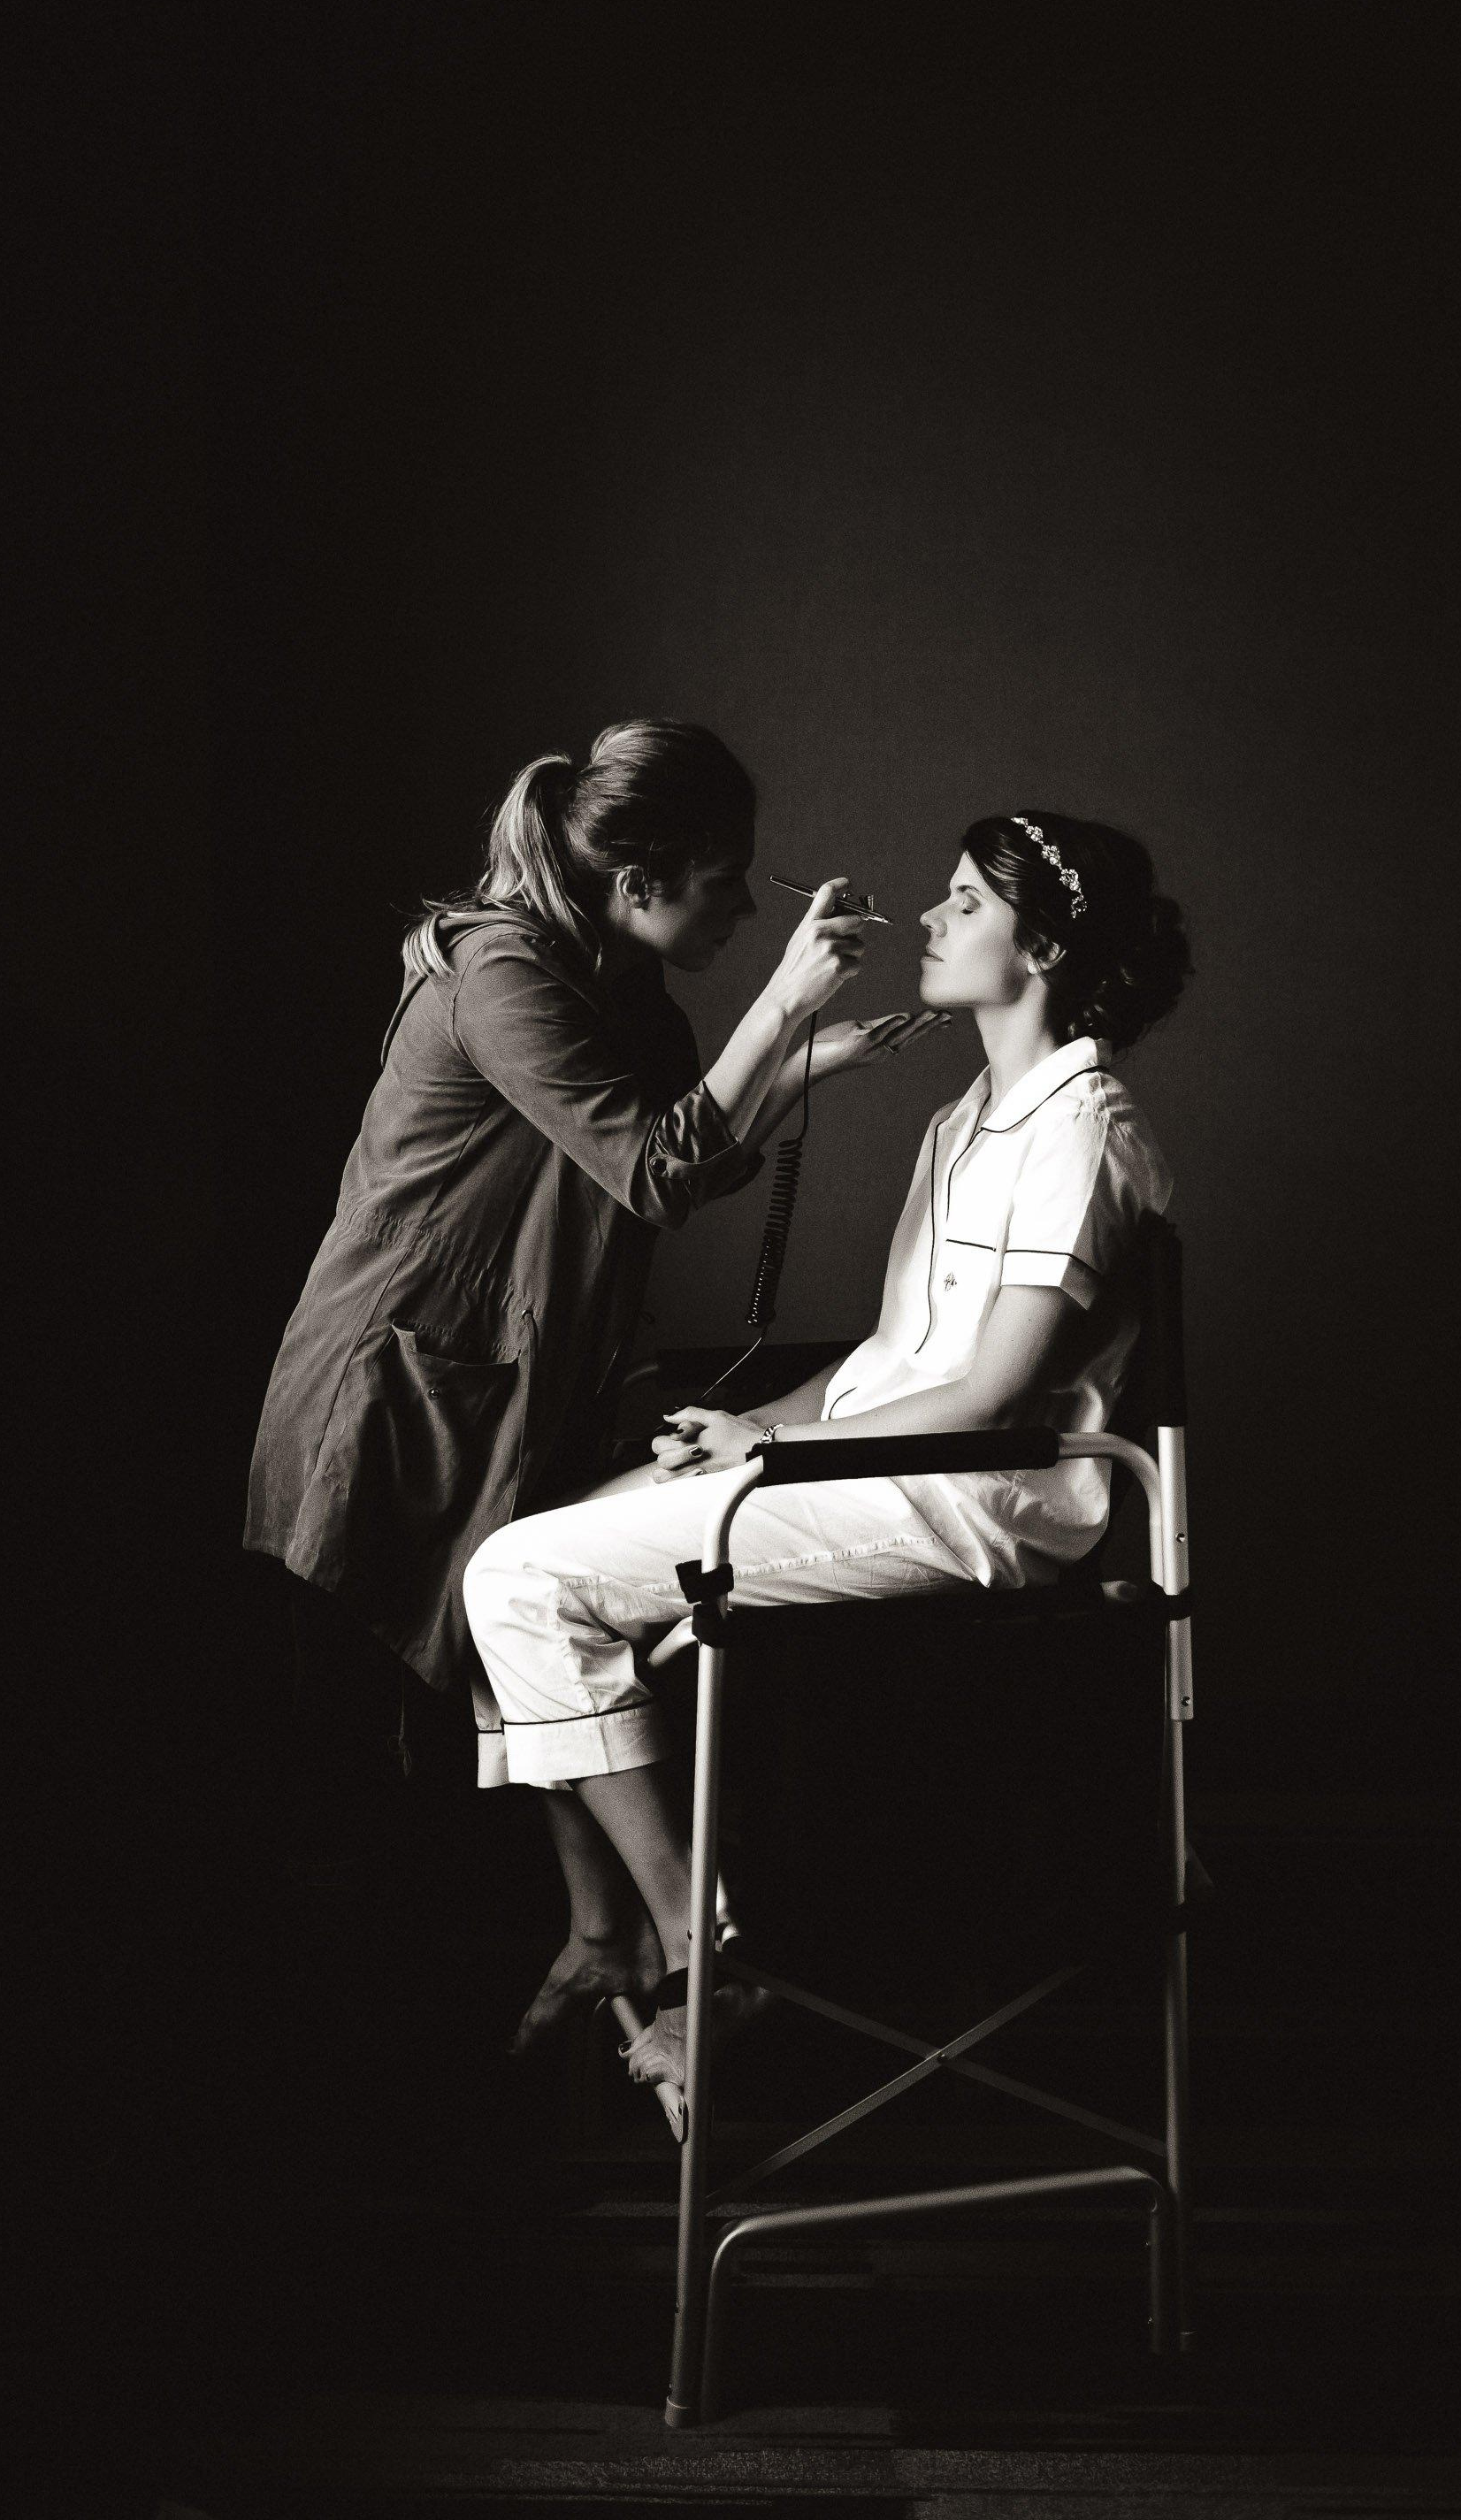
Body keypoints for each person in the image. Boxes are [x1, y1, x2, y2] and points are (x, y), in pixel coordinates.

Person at [461, 810, 1191, 2090]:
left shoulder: (1084, 1127)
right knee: (508, 1559)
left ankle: (700, 1945)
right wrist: (760, 1429)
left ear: (1047, 945)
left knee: (522, 1585)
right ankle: (618, 1932)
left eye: (965, 902)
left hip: (972, 1505)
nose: (931, 919)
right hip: (881, 1466)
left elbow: (987, 1398)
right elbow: (895, 1359)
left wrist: (781, 1451)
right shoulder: (974, 1113)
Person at [244, 718, 939, 2045]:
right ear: (640, 882)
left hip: (517, 1373)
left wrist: (808, 1062)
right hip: (400, 1381)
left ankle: (602, 1935)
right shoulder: (503, 974)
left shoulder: (625, 993)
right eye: (728, 877)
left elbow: (693, 1154)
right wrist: (788, 1002)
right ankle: (545, 1990)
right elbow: (658, 1166)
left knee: (533, 1639)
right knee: (400, 1706)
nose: (744, 902)